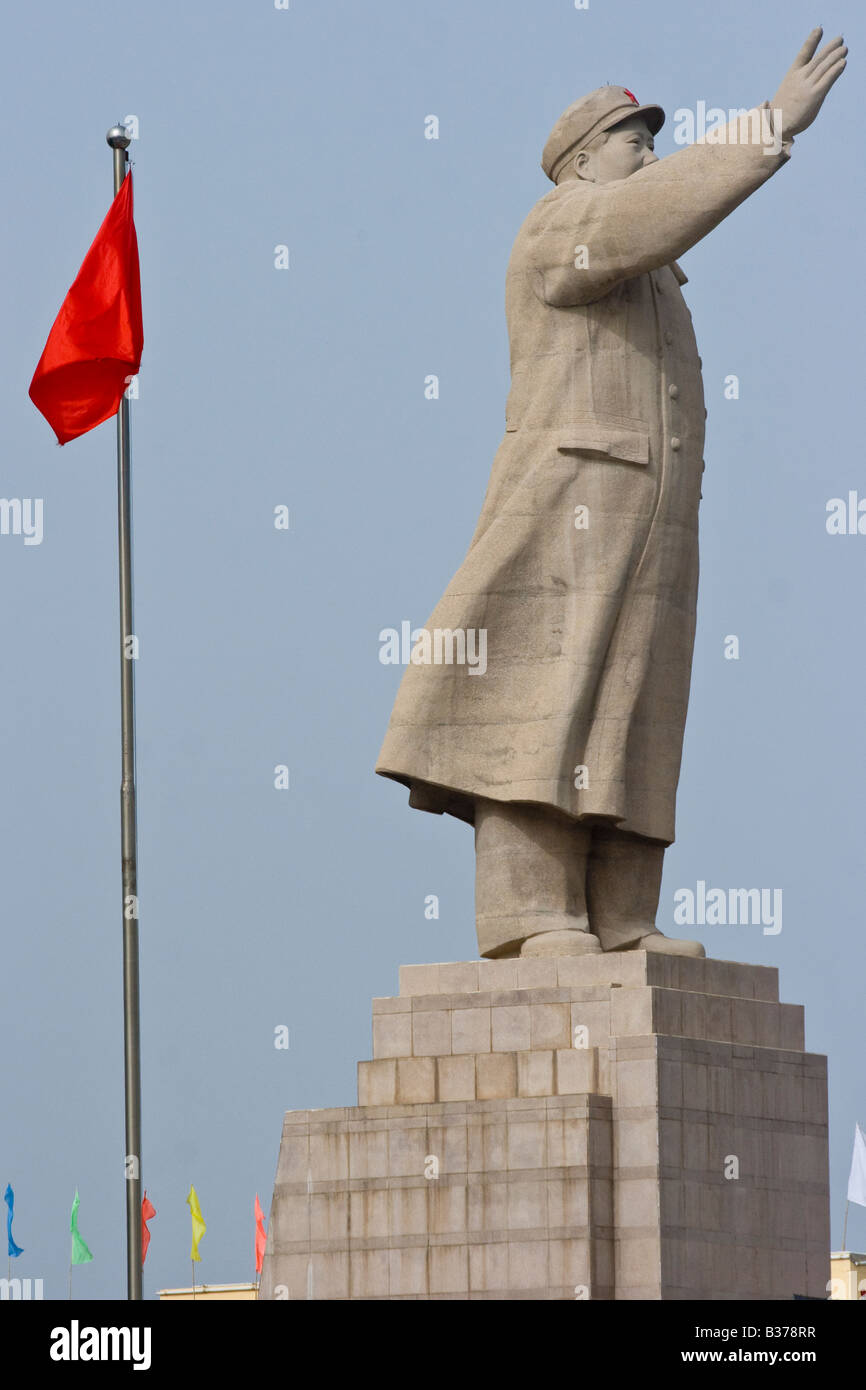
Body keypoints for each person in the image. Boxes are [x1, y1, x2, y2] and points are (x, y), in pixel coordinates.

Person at [376, 30, 847, 959]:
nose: (652, 157)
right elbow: (648, 217)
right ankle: (529, 912)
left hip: (648, 523)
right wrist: (771, 126)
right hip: (572, 502)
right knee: (550, 688)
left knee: (637, 699)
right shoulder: (566, 222)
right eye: (636, 142)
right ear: (584, 158)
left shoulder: (655, 276)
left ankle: (622, 912)